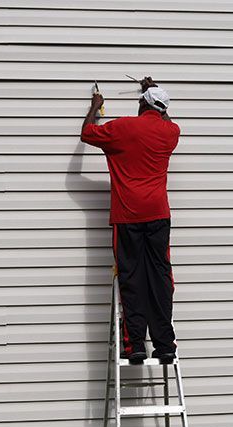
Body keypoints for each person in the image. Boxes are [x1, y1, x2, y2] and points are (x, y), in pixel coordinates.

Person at [80, 77, 180, 364]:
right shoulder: (171, 132)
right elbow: (164, 118)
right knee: (161, 278)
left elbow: (87, 133)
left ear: (141, 104)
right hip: (159, 215)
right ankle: (164, 344)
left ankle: (135, 344)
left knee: (131, 277)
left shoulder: (122, 127)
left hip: (127, 216)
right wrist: (153, 90)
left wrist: (95, 107)